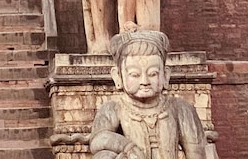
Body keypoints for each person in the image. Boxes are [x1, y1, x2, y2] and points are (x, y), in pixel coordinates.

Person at [89, 29, 210, 158]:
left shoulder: (180, 108)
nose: (144, 81)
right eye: (134, 75)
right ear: (118, 77)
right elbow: (98, 140)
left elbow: (198, 153)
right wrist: (127, 147)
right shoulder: (114, 108)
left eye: (153, 74)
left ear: (165, 75)